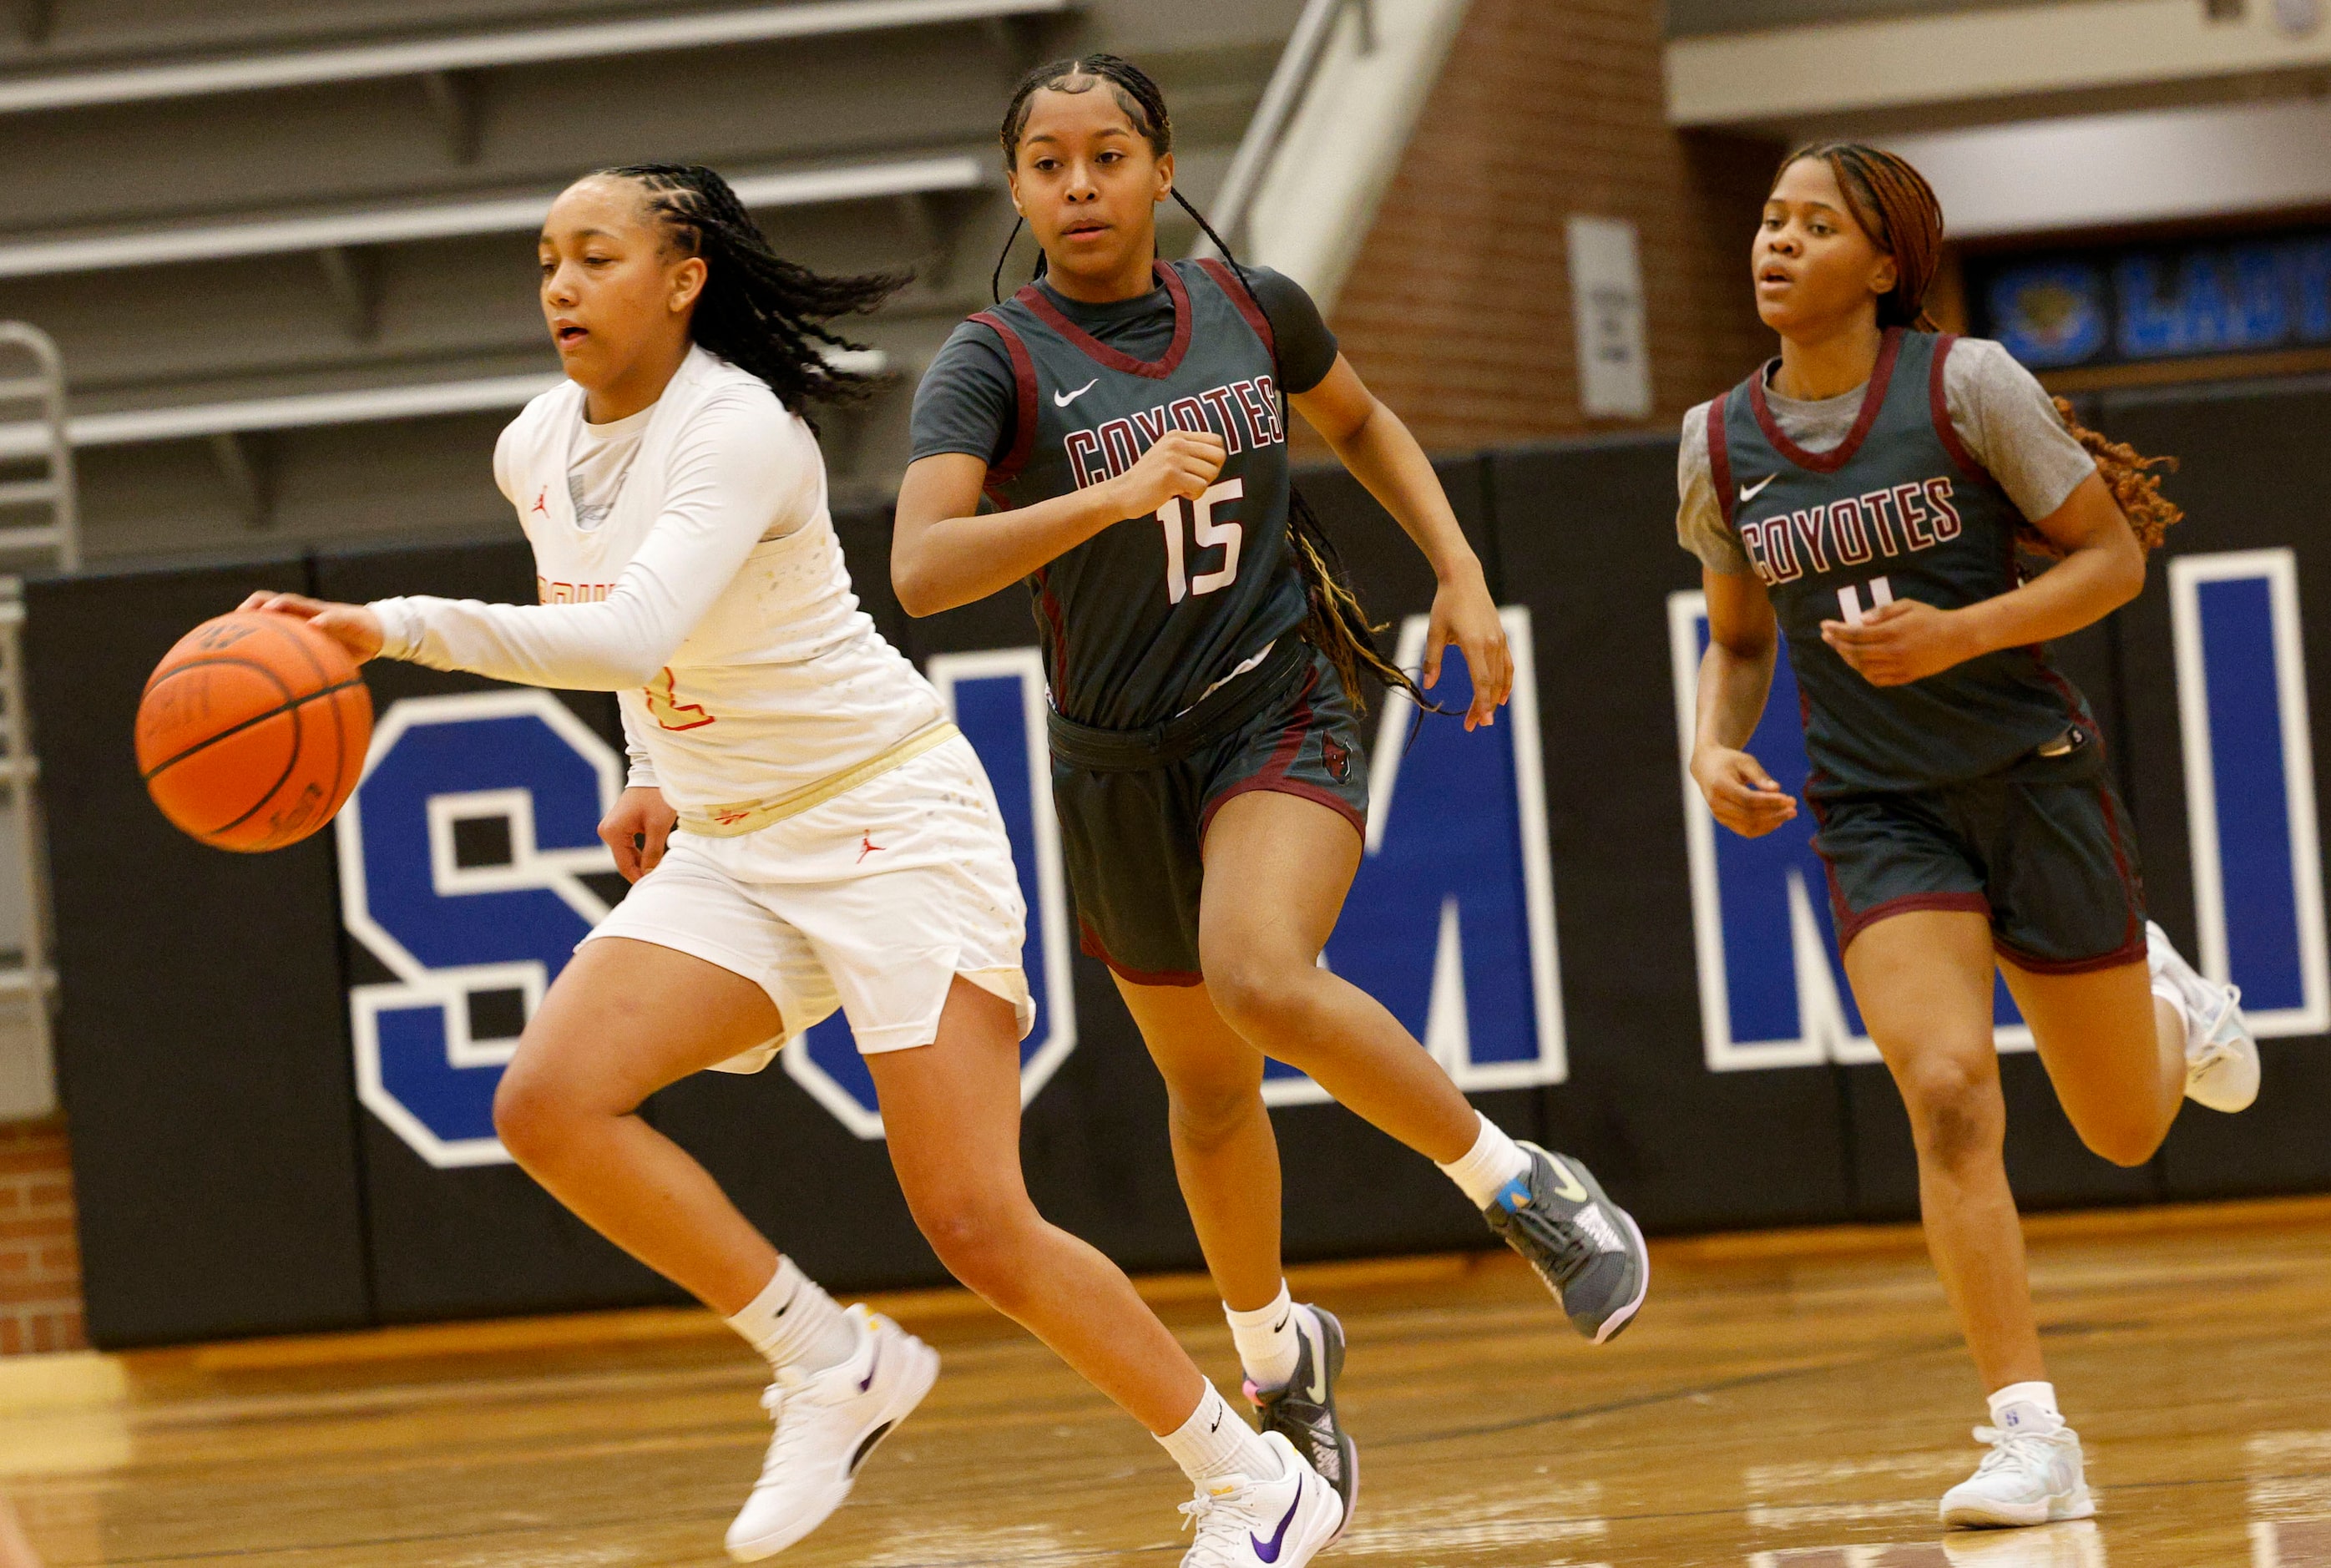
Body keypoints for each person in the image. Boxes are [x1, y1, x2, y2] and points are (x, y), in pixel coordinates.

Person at [242, 164, 1342, 1567]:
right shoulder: (534, 445)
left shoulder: (741, 431)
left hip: (891, 825)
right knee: (549, 1101)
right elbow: (618, 631)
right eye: (544, 264)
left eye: (593, 258)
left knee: (976, 1222)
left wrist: (384, 628)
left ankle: (1255, 1481)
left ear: (683, 277)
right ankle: (831, 1359)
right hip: (734, 837)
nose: (561, 288)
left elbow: (635, 629)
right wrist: (647, 770)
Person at [894, 53, 1651, 1536]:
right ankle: (1278, 1356)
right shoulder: (990, 361)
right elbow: (923, 568)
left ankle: (1526, 1184)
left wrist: (1461, 566)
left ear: (1164, 171)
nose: (1080, 185)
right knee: (1206, 1086)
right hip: (1113, 758)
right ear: (1016, 189)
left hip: (1274, 700)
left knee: (1260, 971)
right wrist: (1107, 496)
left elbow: (1359, 422)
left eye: (1108, 155)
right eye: (1048, 163)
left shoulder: (1252, 308)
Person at [1677, 143, 2259, 1530]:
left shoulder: (1969, 387)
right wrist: (1712, 741)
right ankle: (2030, 1432)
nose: (1778, 243)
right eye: (1770, 220)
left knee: (2125, 1131)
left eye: (1815, 226)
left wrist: (1964, 632)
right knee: (1945, 1091)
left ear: (1884, 266)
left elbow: (2110, 557)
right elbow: (1743, 633)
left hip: (2033, 776)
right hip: (1882, 813)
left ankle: (2176, 1003)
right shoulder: (1716, 444)